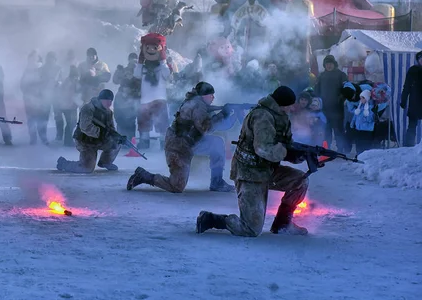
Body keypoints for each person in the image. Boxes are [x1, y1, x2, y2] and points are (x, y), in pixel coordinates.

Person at [196, 86, 309, 236]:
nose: (292, 108)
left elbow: (282, 144)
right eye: (289, 105)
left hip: (267, 169)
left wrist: (297, 155)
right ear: (282, 104)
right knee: (250, 229)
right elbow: (263, 148)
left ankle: (283, 224)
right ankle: (211, 219)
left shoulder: (280, 116)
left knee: (300, 181)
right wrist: (286, 152)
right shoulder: (262, 117)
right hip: (249, 174)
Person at [126, 82, 234, 193]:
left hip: (189, 143)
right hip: (178, 146)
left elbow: (207, 116)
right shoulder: (197, 105)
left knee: (216, 143)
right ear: (203, 96)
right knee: (177, 186)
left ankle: (217, 182)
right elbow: (205, 128)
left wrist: (223, 111)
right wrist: (222, 115)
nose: (213, 98)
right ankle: (144, 176)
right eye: (211, 95)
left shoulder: (197, 102)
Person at [56, 89, 121, 173]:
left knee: (117, 142)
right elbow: (85, 127)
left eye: (111, 101)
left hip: (99, 139)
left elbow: (111, 128)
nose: (109, 103)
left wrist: (117, 136)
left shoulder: (108, 112)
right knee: (86, 168)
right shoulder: (88, 108)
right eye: (107, 100)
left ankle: (105, 162)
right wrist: (101, 133)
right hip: (85, 141)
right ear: (101, 99)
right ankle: (64, 164)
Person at [134, 33, 172, 149]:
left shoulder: (163, 67)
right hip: (145, 100)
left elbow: (167, 74)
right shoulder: (143, 67)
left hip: (160, 99)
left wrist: (163, 59)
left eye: (154, 48)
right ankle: (144, 142)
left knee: (162, 123)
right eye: (148, 48)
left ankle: (163, 143)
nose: (150, 50)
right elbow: (136, 74)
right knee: (144, 122)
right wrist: (140, 61)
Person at [314, 55, 348, 152]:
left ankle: (341, 150)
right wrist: (317, 102)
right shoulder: (321, 76)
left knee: (338, 131)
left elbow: (346, 89)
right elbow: (316, 90)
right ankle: (326, 150)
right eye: (327, 64)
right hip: (324, 109)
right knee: (326, 131)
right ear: (324, 65)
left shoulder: (341, 75)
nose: (329, 66)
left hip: (337, 108)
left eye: (330, 63)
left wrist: (341, 98)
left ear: (334, 64)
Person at [112, 53, 141, 138]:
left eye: (135, 60)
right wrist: (118, 72)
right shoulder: (124, 70)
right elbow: (115, 81)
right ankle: (120, 139)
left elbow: (143, 85)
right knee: (120, 118)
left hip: (133, 98)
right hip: (122, 97)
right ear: (129, 60)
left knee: (131, 120)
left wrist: (133, 78)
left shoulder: (140, 71)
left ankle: (130, 140)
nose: (133, 62)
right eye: (132, 59)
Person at [400, 51, 422, 146]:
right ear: (418, 60)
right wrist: (403, 101)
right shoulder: (413, 70)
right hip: (415, 102)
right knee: (412, 126)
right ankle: (408, 146)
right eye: (421, 59)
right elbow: (406, 87)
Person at [350, 89, 375, 154]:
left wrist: (367, 116)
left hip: (366, 130)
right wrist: (352, 123)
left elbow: (371, 119)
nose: (361, 100)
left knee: (365, 145)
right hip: (359, 129)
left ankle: (365, 157)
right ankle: (358, 154)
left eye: (362, 98)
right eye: (360, 98)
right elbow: (355, 115)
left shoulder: (370, 108)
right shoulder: (360, 107)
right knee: (358, 144)